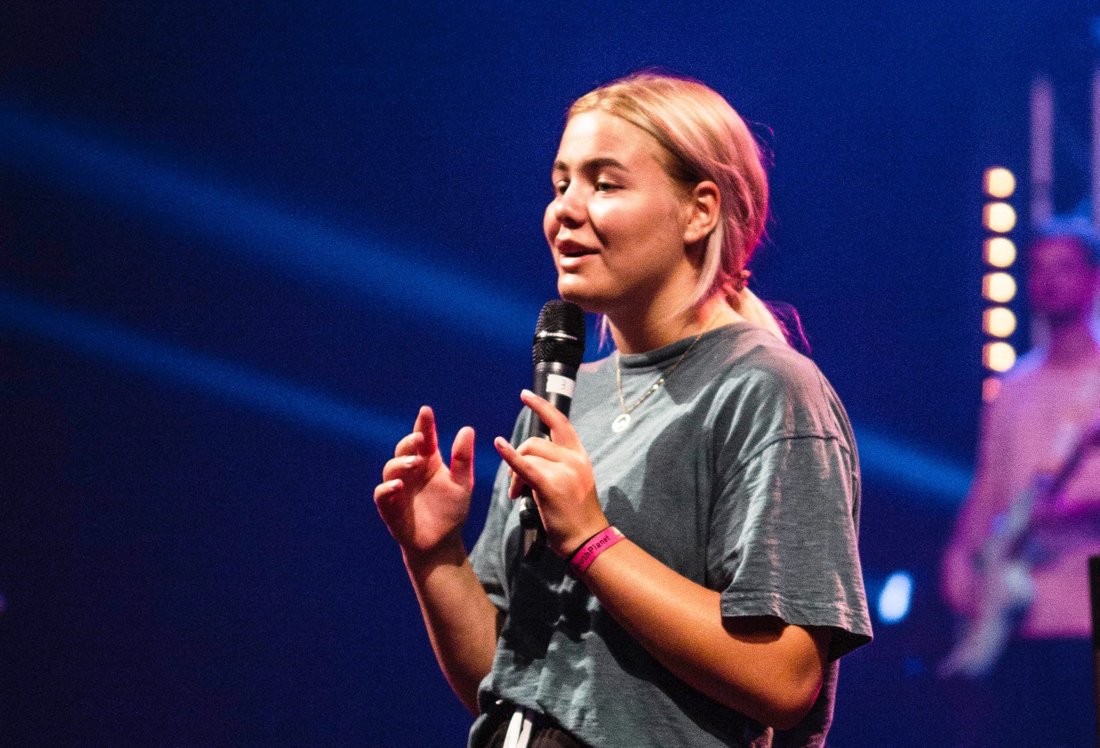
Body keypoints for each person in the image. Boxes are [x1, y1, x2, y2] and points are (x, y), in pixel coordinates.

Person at [374, 72, 872, 747]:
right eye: (560, 185)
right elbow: (507, 680)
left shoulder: (766, 390)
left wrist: (592, 540)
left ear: (699, 211)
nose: (565, 210)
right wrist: (433, 552)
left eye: (604, 185)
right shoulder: (564, 398)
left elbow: (784, 679)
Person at [940, 228, 1100, 747]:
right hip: (1015, 622)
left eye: (1064, 266)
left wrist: (1076, 510)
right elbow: (989, 489)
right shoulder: (1013, 386)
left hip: (1086, 618)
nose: (1049, 280)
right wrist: (961, 564)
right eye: (1039, 268)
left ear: (1093, 279)